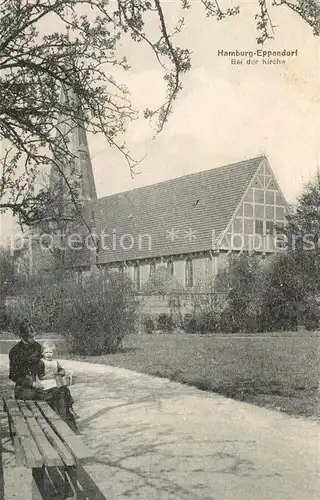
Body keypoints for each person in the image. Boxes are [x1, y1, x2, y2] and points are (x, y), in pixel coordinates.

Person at [9, 318, 78, 433]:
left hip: (42, 383)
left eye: (33, 335)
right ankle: (47, 428)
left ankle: (66, 426)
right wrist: (32, 383)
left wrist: (58, 371)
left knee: (61, 391)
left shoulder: (37, 347)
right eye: (28, 336)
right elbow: (13, 375)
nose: (32, 339)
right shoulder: (15, 351)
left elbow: (47, 363)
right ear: (21, 335)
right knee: (34, 394)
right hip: (25, 387)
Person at [38, 341, 79, 419]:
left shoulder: (55, 362)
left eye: (51, 352)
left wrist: (61, 372)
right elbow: (40, 376)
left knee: (65, 390)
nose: (49, 354)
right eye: (46, 352)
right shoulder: (41, 362)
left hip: (55, 382)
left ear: (53, 353)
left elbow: (61, 370)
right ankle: (58, 411)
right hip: (46, 384)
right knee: (57, 392)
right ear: (42, 353)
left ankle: (69, 408)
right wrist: (50, 376)